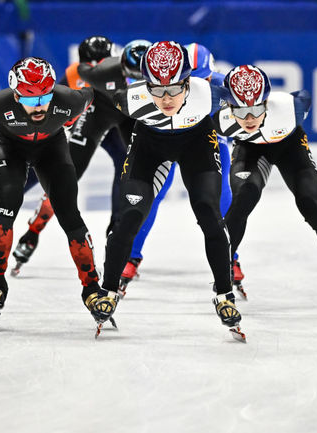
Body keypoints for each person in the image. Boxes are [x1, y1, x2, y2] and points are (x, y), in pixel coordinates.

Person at [92, 41, 246, 341]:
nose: (166, 99)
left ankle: (224, 293)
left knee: (210, 215)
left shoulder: (213, 93)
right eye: (156, 89)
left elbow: (257, 104)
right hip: (150, 150)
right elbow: (82, 100)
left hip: (197, 148)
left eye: (175, 89)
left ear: (190, 81)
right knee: (130, 217)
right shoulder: (129, 98)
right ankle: (108, 290)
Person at [214, 64, 317, 315]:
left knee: (312, 205)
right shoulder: (221, 120)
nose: (249, 118)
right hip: (250, 150)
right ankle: (223, 278)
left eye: (256, 109)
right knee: (242, 200)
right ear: (229, 106)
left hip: (290, 147)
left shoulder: (292, 107)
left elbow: (305, 95)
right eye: (241, 110)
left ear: (267, 102)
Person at [0, 36, 127, 271]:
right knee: (30, 180)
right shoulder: (73, 75)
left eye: (101, 65)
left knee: (125, 166)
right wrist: (66, 124)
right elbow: (58, 103)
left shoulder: (113, 72)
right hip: (86, 124)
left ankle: (117, 233)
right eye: (90, 66)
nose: (96, 71)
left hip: (111, 121)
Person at [0, 56, 102, 326]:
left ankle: (92, 288)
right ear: (16, 97)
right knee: (9, 202)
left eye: (44, 97)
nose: (38, 106)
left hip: (51, 148)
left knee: (69, 213)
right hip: (9, 146)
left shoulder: (70, 101)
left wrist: (74, 119)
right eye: (29, 100)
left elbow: (91, 93)